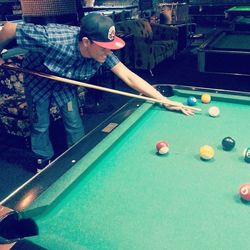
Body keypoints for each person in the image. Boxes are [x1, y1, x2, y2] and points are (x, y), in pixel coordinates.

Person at [0, 13, 194, 172]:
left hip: (65, 80)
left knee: (73, 120)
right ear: (86, 42)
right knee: (40, 123)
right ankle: (43, 160)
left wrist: (163, 100)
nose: (109, 52)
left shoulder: (101, 51)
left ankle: (79, 158)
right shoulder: (52, 37)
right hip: (38, 77)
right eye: (105, 49)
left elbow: (129, 77)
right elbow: (8, 28)